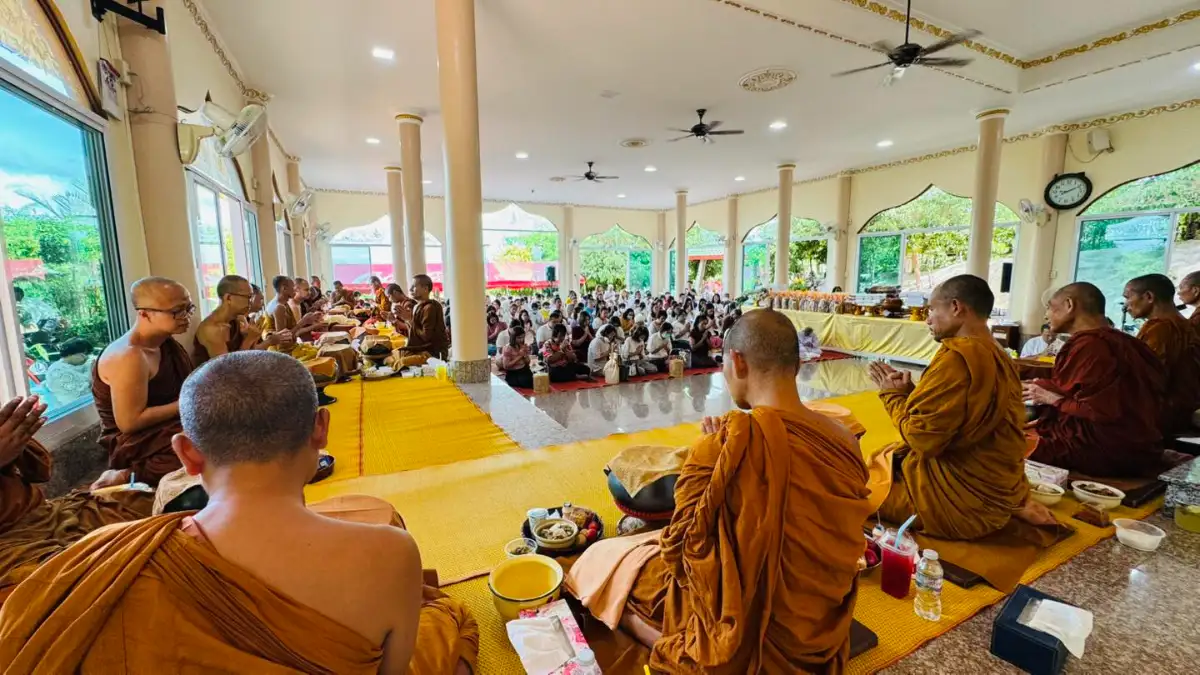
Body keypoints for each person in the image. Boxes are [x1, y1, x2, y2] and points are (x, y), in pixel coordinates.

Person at [0, 352, 478, 673]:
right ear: (321, 429)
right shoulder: (390, 553)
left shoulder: (92, 569)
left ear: (185, 454)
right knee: (447, 614)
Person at [568, 309, 872, 673]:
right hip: (819, 628)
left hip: (738, 624)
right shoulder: (843, 440)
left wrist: (713, 459)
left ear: (738, 362)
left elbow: (681, 554)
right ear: (794, 364)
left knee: (600, 564)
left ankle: (663, 638)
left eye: (724, 364)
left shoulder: (726, 444)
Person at [868, 275, 1046, 543]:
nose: (927, 319)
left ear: (956, 307)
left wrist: (892, 397)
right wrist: (909, 395)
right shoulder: (1000, 355)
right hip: (1000, 494)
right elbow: (963, 416)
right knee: (884, 460)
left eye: (931, 310)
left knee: (846, 485)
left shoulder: (957, 358)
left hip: (956, 507)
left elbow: (923, 439)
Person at [0, 395, 151, 606]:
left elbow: (41, 473)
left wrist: (19, 443)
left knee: (147, 503)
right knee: (84, 586)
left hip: (50, 514)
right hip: (12, 548)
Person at [1024, 283, 1168, 477]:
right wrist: (1042, 387)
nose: (1046, 315)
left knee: (1004, 445)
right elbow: (1084, 390)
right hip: (1142, 443)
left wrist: (1052, 399)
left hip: (1104, 449)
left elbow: (1099, 410)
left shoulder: (1091, 345)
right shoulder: (1128, 342)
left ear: (1069, 305)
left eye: (1049, 306)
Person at [90, 277, 194, 489]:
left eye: (188, 308)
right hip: (136, 441)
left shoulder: (164, 343)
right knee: (209, 444)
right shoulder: (129, 356)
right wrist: (191, 401)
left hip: (169, 424)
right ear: (144, 313)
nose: (186, 317)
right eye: (177, 311)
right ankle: (130, 474)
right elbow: (130, 422)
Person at [1123, 274, 1200, 435]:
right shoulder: (1185, 324)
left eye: (1128, 298)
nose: (1126, 306)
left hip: (1159, 416)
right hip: (1184, 409)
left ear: (1149, 296)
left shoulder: (1160, 328)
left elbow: (1144, 379)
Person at [193, 275, 264, 366]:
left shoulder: (239, 319)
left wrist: (253, 338)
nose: (251, 302)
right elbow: (227, 368)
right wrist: (249, 340)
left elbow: (251, 357)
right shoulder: (212, 329)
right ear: (228, 298)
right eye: (248, 297)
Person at [396, 274, 449, 360]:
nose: (410, 289)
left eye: (414, 286)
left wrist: (410, 320)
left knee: (401, 361)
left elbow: (426, 337)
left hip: (433, 353)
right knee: (394, 354)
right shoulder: (417, 306)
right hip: (422, 348)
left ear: (425, 289)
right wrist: (406, 320)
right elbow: (414, 332)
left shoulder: (430, 308)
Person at [266, 276, 323, 343]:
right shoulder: (279, 307)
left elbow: (292, 330)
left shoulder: (284, 303)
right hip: (283, 351)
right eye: (293, 287)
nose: (295, 290)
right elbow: (284, 339)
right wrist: (303, 321)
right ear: (284, 288)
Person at [43, 338, 95, 403]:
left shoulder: (79, 365)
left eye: (87, 354)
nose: (85, 357)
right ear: (70, 353)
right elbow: (81, 393)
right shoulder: (57, 370)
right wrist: (92, 376)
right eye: (82, 354)